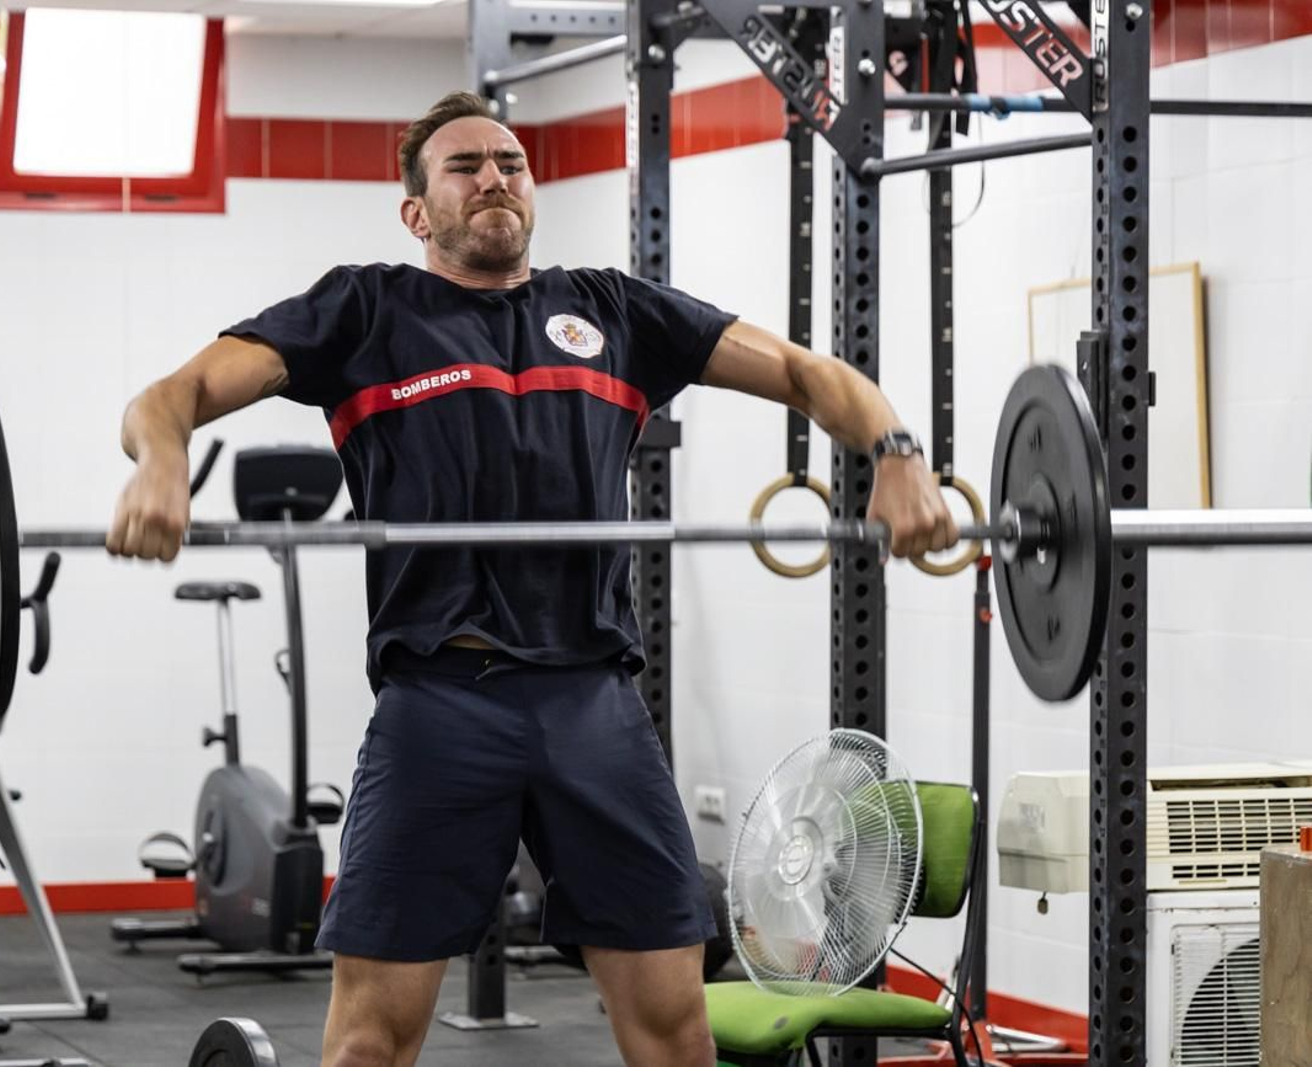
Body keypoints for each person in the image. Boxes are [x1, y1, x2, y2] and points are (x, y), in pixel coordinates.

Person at [108, 91, 958, 1067]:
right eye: (465, 167)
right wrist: (162, 460)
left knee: (676, 1033)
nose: (494, 179)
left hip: (594, 703)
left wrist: (896, 453)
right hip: (438, 704)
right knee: (369, 1042)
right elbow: (166, 397)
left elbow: (809, 374)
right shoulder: (364, 311)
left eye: (510, 162)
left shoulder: (614, 311)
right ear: (417, 212)